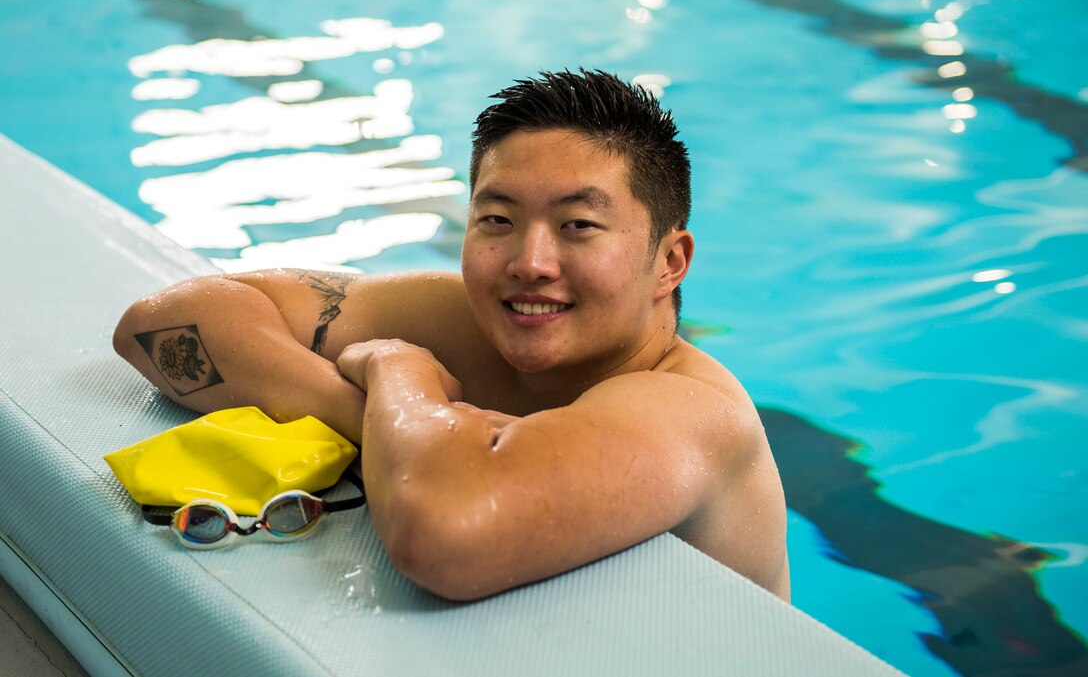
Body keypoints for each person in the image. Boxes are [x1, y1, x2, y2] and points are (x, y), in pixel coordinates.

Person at [113, 69, 790, 602]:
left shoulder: (689, 413)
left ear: (669, 262)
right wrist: (372, 417)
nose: (530, 261)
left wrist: (397, 374)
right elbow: (160, 322)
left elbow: (443, 534)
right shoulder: (465, 319)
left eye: (578, 225)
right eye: (497, 218)